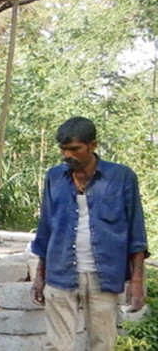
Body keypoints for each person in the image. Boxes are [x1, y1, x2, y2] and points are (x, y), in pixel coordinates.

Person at [30, 117, 148, 351]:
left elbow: (136, 232)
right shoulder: (54, 177)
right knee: (56, 346)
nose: (67, 155)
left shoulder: (122, 177)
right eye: (63, 149)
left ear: (92, 145)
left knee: (103, 344)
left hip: (104, 275)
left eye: (74, 149)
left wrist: (136, 282)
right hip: (60, 271)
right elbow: (46, 228)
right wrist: (39, 275)